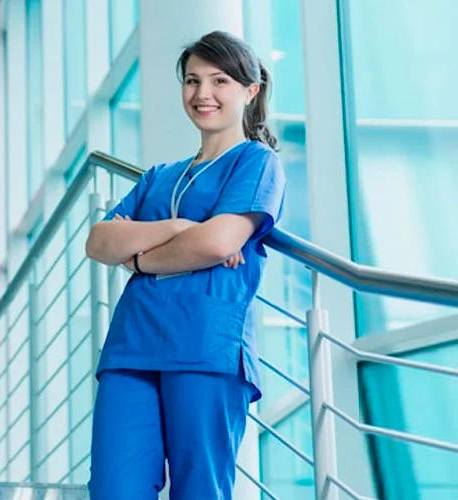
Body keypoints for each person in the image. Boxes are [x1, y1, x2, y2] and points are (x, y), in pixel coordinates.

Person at [84, 31, 286, 499]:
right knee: (114, 488)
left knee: (200, 490)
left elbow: (218, 241)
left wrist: (137, 258)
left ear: (249, 91)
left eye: (219, 81)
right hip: (132, 346)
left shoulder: (256, 163)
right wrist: (178, 229)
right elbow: (99, 241)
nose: (202, 94)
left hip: (206, 346)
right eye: (192, 81)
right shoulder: (159, 176)